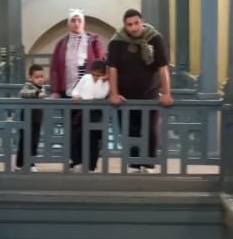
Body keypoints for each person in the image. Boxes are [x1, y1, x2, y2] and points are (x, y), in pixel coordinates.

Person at [107, 9, 172, 167]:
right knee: (129, 131)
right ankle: (134, 165)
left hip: (150, 93)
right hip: (125, 96)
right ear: (124, 26)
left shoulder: (155, 38)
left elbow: (163, 67)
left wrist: (166, 93)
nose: (134, 27)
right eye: (129, 25)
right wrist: (114, 93)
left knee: (151, 131)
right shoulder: (117, 41)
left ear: (142, 21)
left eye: (136, 23)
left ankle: (149, 165)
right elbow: (112, 68)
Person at [50, 9, 106, 98]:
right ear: (68, 23)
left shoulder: (94, 42)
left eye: (79, 21)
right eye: (73, 21)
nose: (76, 24)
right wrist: (55, 91)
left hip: (90, 93)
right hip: (67, 92)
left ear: (83, 23)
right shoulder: (60, 45)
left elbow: (101, 65)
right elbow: (55, 70)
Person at [70, 59, 111, 172]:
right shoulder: (86, 77)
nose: (95, 77)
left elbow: (100, 95)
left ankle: (91, 166)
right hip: (81, 112)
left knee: (92, 140)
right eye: (94, 74)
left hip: (95, 113)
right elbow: (76, 90)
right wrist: (76, 96)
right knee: (76, 138)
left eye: (98, 75)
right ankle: (77, 162)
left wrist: (101, 80)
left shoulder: (106, 82)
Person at [17, 64, 48, 169]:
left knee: (34, 141)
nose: (40, 79)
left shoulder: (42, 88)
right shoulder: (28, 86)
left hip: (36, 119)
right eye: (37, 77)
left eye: (42, 76)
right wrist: (36, 93)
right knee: (25, 141)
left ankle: (30, 163)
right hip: (27, 118)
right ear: (30, 78)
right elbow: (22, 93)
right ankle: (20, 164)